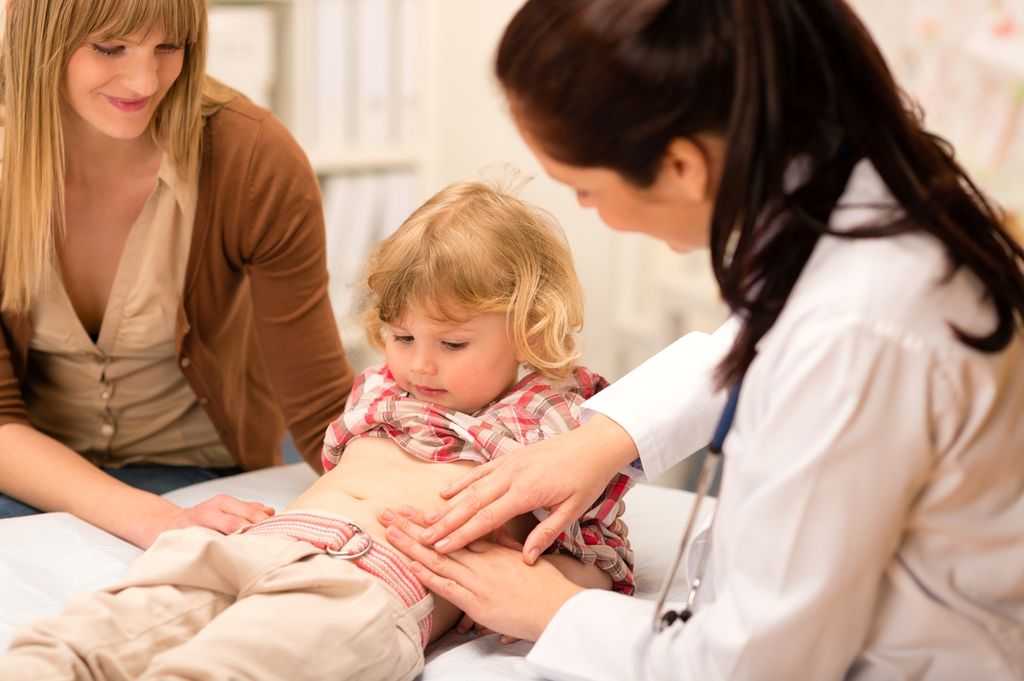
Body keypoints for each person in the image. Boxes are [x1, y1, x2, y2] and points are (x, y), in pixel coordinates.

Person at [378, 1, 1024, 679]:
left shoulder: (861, 322)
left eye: (585, 189)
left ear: (683, 166)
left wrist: (551, 608)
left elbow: (753, 665)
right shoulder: (849, 192)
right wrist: (607, 437)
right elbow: (762, 341)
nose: (586, 210)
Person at [0, 179, 634, 681]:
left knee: (233, 667)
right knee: (88, 635)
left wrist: (547, 596)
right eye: (402, 335)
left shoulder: (562, 421)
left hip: (376, 583)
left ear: (529, 328)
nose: (419, 362)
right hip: (263, 542)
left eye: (454, 342)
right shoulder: (386, 386)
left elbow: (600, 556)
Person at [0, 0, 354, 547]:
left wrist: (434, 513)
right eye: (109, 47)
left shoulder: (252, 157)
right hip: (33, 474)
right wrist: (151, 520)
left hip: (194, 475)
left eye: (169, 47)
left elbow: (322, 413)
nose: (145, 80)